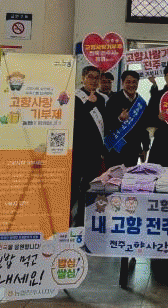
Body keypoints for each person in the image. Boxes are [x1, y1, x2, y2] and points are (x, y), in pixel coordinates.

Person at [71, 65, 108, 227]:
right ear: (83, 78)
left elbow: (104, 124)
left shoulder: (102, 99)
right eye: (90, 77)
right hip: (79, 150)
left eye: (96, 78)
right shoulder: (75, 97)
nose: (93, 81)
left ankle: (83, 221)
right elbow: (75, 120)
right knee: (74, 187)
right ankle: (71, 223)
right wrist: (89, 104)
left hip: (95, 151)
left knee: (89, 186)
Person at [103, 70, 150, 168]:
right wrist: (119, 119)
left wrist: (145, 148)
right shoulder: (113, 100)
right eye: (128, 82)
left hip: (133, 150)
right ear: (122, 83)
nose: (131, 85)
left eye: (134, 82)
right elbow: (106, 125)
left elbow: (144, 128)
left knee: (129, 176)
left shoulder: (141, 103)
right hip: (115, 149)